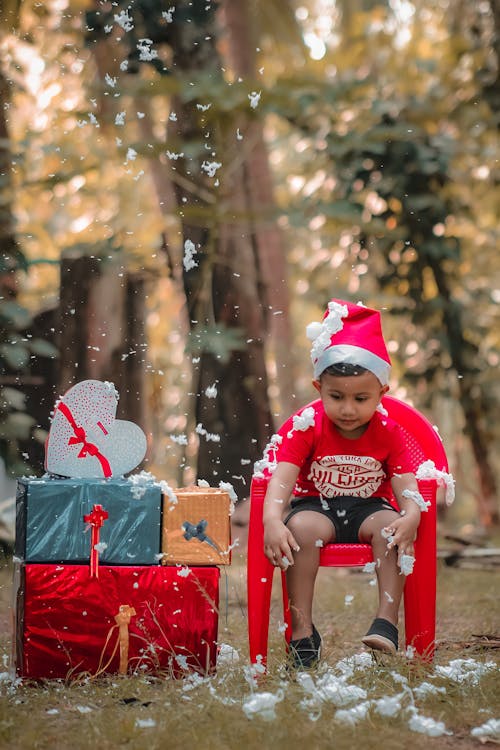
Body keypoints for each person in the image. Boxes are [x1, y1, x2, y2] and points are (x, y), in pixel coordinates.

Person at [260, 299, 425, 668]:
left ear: (382, 391)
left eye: (360, 398)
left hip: (370, 509)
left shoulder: (388, 431)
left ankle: (386, 622)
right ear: (319, 387)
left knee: (390, 529)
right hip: (316, 507)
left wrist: (411, 513)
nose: (348, 409)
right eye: (336, 397)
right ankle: (301, 633)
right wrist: (272, 519)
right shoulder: (308, 426)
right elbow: (282, 479)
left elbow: (407, 487)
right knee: (300, 530)